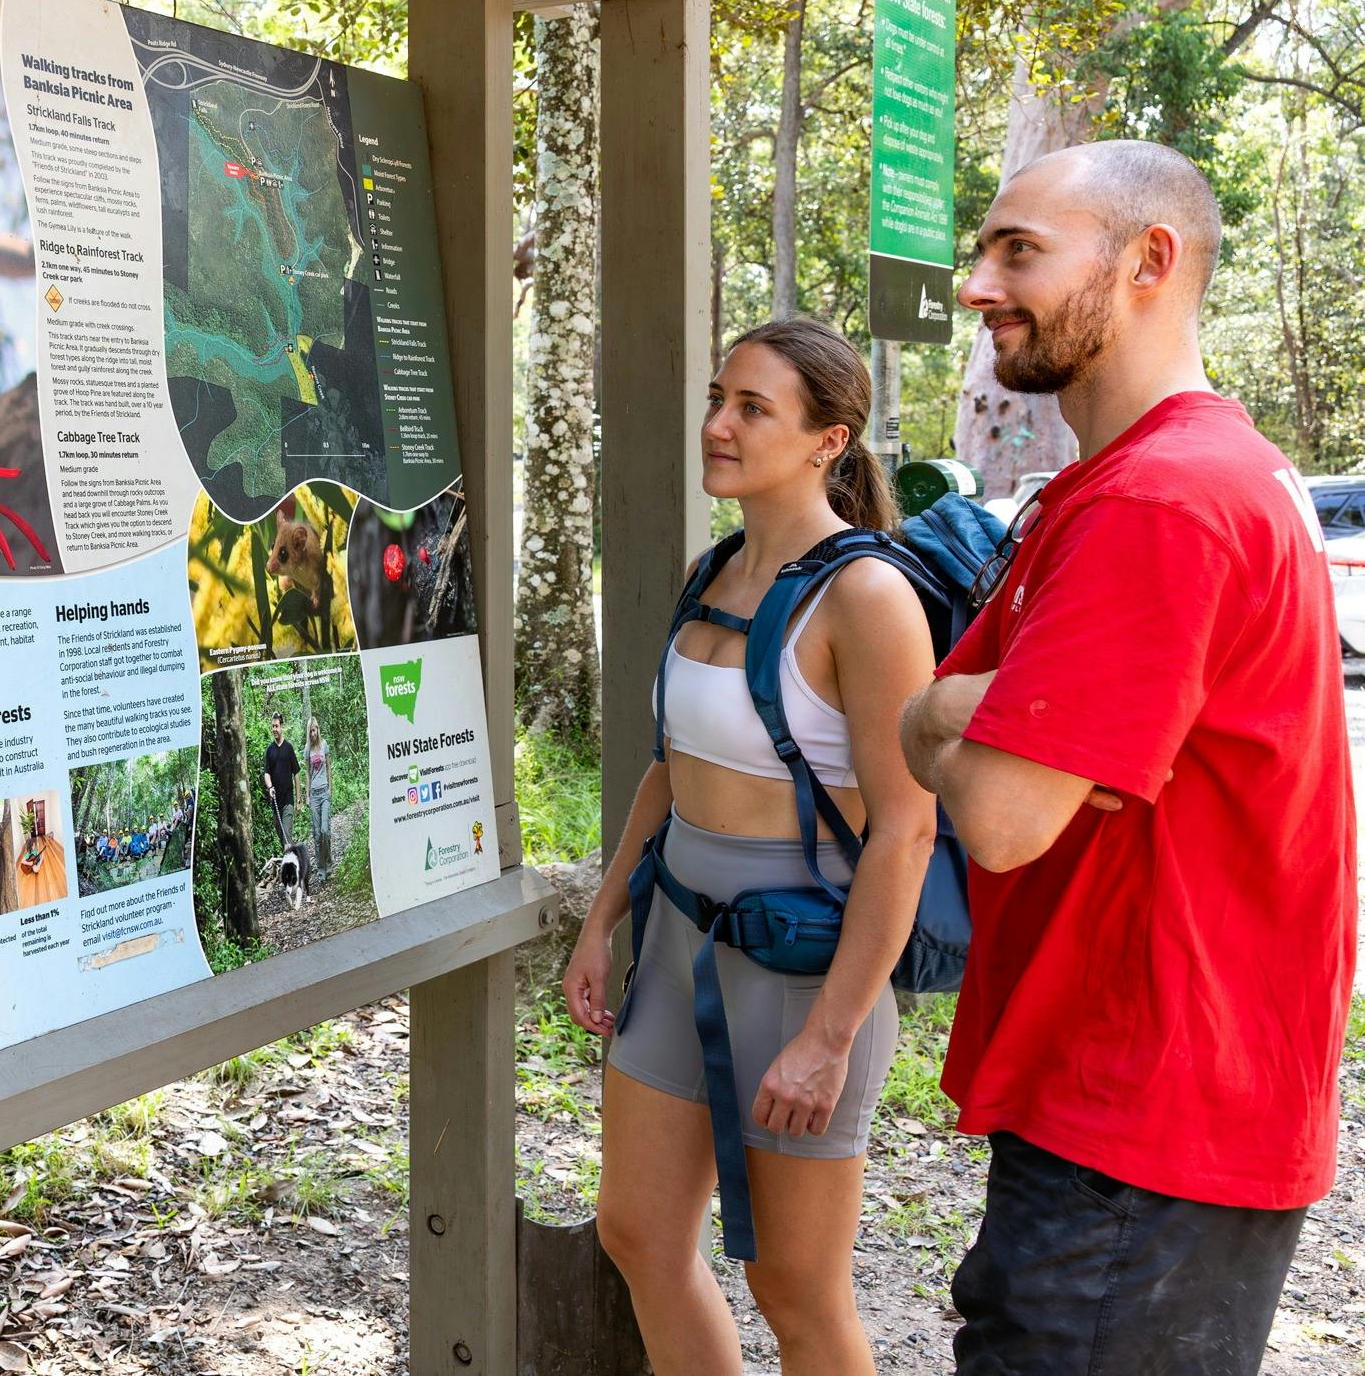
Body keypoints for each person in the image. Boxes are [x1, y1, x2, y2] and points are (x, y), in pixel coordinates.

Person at [898, 140, 1356, 1375]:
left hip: (1139, 1121)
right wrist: (968, 715)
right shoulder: (1130, 484)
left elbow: (991, 806)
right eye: (983, 247)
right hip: (1141, 1103)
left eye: (1019, 250)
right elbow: (925, 720)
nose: (979, 284)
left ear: (1148, 259)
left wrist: (958, 720)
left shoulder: (1163, 498)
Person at [562, 318, 938, 1376]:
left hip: (801, 966)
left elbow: (905, 827)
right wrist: (604, 920)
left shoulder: (866, 598)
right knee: (635, 1230)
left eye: (751, 407)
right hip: (676, 944)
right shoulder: (711, 568)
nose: (716, 424)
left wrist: (828, 1034)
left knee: (796, 1287)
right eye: (718, 397)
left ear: (829, 439)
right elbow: (667, 767)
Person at [262, 711, 299, 855]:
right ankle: (294, 855)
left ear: (281, 727)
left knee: (286, 836)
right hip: (276, 801)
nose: (274, 729)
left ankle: (290, 872)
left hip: (288, 801)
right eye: (272, 726)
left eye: (276, 726)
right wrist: (270, 787)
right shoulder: (269, 750)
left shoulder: (288, 748)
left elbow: (296, 773)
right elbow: (266, 773)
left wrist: (299, 799)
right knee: (281, 833)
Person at [305, 719, 333, 872]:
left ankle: (328, 863)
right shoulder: (307, 750)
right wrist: (307, 795)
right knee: (316, 834)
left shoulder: (324, 745)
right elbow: (308, 774)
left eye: (314, 730)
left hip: (324, 793)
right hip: (314, 795)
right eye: (310, 731)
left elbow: (329, 767)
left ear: (317, 730)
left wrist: (330, 789)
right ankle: (321, 868)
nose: (312, 734)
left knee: (324, 830)